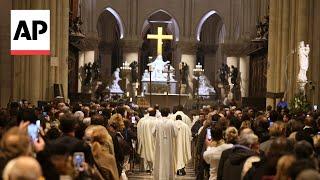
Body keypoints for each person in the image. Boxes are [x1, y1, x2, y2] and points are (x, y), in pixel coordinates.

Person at [152, 107, 178, 180]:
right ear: (168, 114)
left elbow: (153, 133)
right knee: (169, 159)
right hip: (169, 145)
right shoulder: (172, 122)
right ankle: (169, 177)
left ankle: (159, 177)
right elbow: (175, 134)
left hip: (159, 145)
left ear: (161, 113)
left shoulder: (157, 122)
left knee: (159, 159)